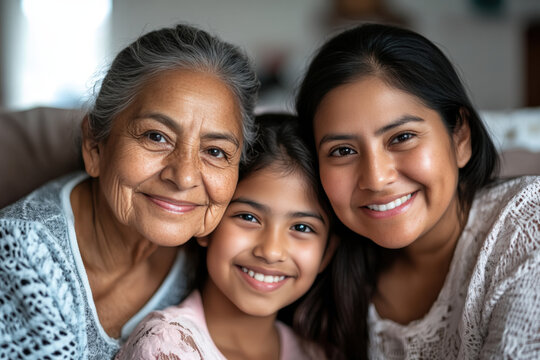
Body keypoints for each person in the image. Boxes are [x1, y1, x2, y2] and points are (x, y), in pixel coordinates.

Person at [0, 23, 258, 359]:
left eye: (215, 151)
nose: (183, 177)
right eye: (156, 136)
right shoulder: (19, 257)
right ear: (95, 146)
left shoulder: (214, 252)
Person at [296, 23, 540, 359]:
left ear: (460, 136)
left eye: (401, 137)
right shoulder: (315, 269)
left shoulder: (527, 228)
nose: (377, 179)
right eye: (342, 151)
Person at [115, 114, 340, 359]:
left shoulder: (317, 354)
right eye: (248, 217)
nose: (271, 251)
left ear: (327, 252)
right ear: (207, 223)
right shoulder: (166, 346)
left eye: (302, 228)